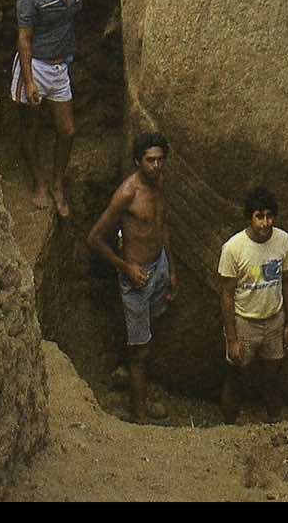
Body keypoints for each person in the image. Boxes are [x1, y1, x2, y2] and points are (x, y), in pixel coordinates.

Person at [12, 0, 145, 218]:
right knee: (30, 127)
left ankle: (58, 183)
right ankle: (39, 182)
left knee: (67, 130)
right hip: (36, 66)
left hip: (60, 69)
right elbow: (24, 40)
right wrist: (31, 82)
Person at [88, 131, 175, 425]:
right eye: (150, 161)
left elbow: (162, 227)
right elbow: (95, 238)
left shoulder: (159, 183)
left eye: (161, 160)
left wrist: (171, 269)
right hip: (136, 277)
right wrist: (126, 268)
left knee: (148, 336)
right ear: (138, 161)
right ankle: (139, 417)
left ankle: (138, 392)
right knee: (140, 350)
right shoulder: (128, 193)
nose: (156, 166)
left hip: (158, 267)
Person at [218, 186, 288, 424]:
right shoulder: (234, 248)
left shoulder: (283, 241)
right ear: (249, 217)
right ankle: (227, 431)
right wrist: (232, 338)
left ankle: (275, 424)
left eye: (269, 216)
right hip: (245, 322)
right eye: (259, 216)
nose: (265, 223)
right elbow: (226, 294)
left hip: (274, 320)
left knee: (273, 376)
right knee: (235, 377)